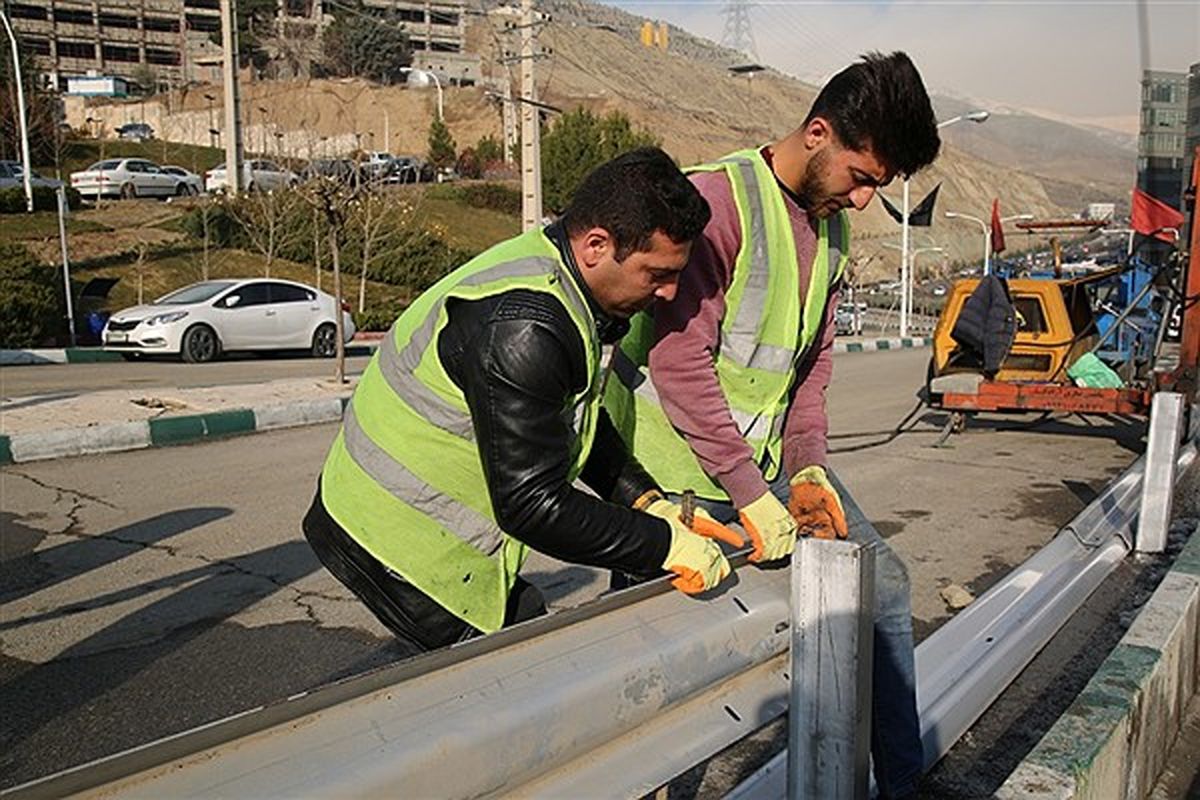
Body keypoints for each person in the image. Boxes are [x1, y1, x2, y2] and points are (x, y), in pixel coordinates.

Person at [604, 53, 941, 798]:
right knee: (665, 665)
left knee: (879, 584)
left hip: (758, 467)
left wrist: (810, 466)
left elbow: (810, 364)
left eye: (876, 187)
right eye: (862, 177)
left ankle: (905, 783)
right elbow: (680, 366)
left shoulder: (831, 227)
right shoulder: (718, 206)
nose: (862, 201)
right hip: (670, 475)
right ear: (817, 133)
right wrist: (751, 491)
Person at [302, 147, 743, 654]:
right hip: (392, 538)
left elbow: (575, 420)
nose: (669, 293)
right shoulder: (525, 328)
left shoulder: (564, 280)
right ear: (597, 245)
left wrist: (646, 500)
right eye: (656, 273)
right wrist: (662, 545)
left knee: (519, 646)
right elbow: (533, 505)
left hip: (407, 520)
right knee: (507, 678)